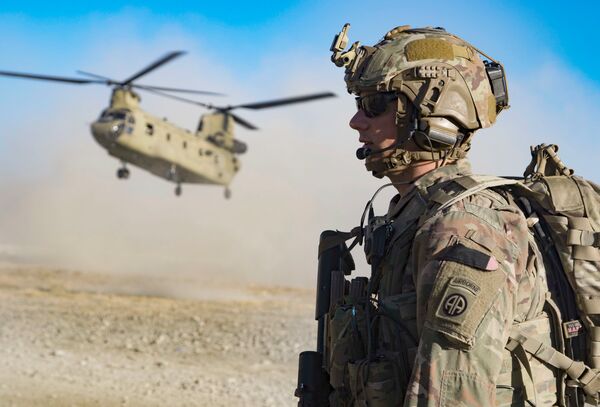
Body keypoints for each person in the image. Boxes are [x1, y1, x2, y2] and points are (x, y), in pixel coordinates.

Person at [325, 24, 561, 406]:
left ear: (433, 112)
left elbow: (453, 394)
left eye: (375, 105)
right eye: (358, 105)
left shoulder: (462, 228)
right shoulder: (415, 212)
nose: (357, 122)